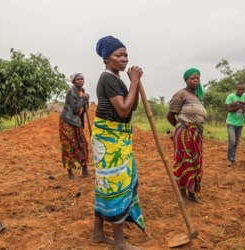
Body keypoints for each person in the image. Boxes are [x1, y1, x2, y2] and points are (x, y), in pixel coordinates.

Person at [90, 35, 145, 250]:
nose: (124, 59)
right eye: (118, 55)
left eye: (125, 55)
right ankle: (120, 243)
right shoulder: (108, 79)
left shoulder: (116, 78)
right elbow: (123, 109)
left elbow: (133, 106)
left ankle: (97, 233)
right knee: (115, 185)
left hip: (117, 137)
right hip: (109, 139)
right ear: (106, 58)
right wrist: (133, 82)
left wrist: (135, 83)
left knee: (106, 183)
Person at [166, 68, 207, 203]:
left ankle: (192, 193)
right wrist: (180, 128)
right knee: (184, 161)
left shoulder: (198, 97)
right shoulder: (181, 94)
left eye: (197, 78)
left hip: (197, 134)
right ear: (186, 80)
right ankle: (183, 193)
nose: (195, 80)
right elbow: (170, 115)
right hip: (184, 132)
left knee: (196, 162)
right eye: (192, 78)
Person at [59, 72, 90, 179]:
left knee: (82, 143)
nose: (80, 80)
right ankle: (70, 173)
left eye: (82, 78)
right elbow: (76, 109)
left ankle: (84, 171)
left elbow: (84, 109)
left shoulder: (82, 92)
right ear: (73, 82)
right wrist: (84, 99)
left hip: (77, 122)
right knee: (69, 146)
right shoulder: (71, 93)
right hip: (67, 122)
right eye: (78, 79)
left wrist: (86, 99)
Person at [225, 82, 245, 166]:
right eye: (239, 89)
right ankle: (229, 159)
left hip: (240, 124)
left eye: (243, 89)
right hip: (231, 123)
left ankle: (233, 158)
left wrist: (239, 102)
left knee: (236, 142)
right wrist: (241, 106)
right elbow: (229, 109)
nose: (241, 91)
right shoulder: (231, 96)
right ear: (236, 89)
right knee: (232, 140)